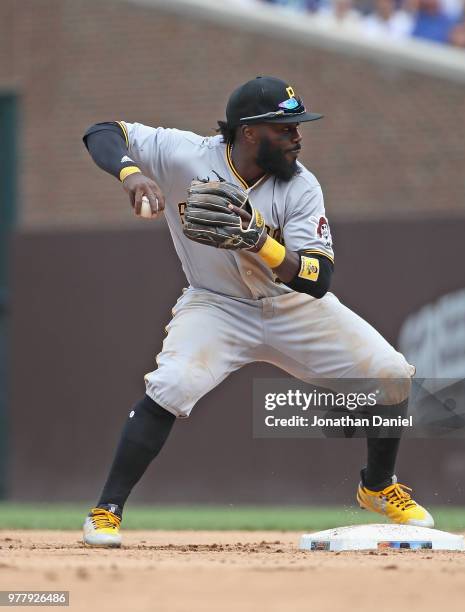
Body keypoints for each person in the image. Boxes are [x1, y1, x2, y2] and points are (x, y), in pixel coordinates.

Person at [82, 76, 434, 548]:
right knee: (173, 383)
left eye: (296, 127)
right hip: (215, 304)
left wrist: (261, 243)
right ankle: (107, 510)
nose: (297, 137)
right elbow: (102, 132)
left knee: (392, 372)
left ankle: (377, 486)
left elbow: (318, 279)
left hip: (292, 306)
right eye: (285, 128)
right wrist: (133, 174)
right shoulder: (185, 155)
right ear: (249, 132)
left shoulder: (302, 186)